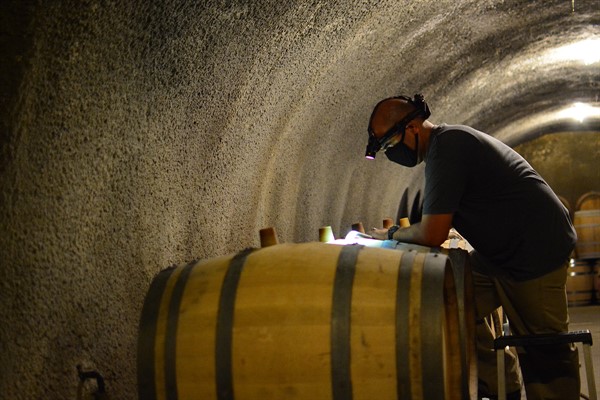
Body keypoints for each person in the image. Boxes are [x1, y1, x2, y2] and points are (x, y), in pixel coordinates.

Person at [367, 94, 580, 400]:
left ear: (412, 128)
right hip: (498, 256)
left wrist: (392, 234)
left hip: (535, 250)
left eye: (389, 145)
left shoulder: (448, 148)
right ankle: (502, 389)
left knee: (544, 350)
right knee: (453, 305)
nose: (391, 154)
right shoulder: (442, 149)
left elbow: (432, 232)